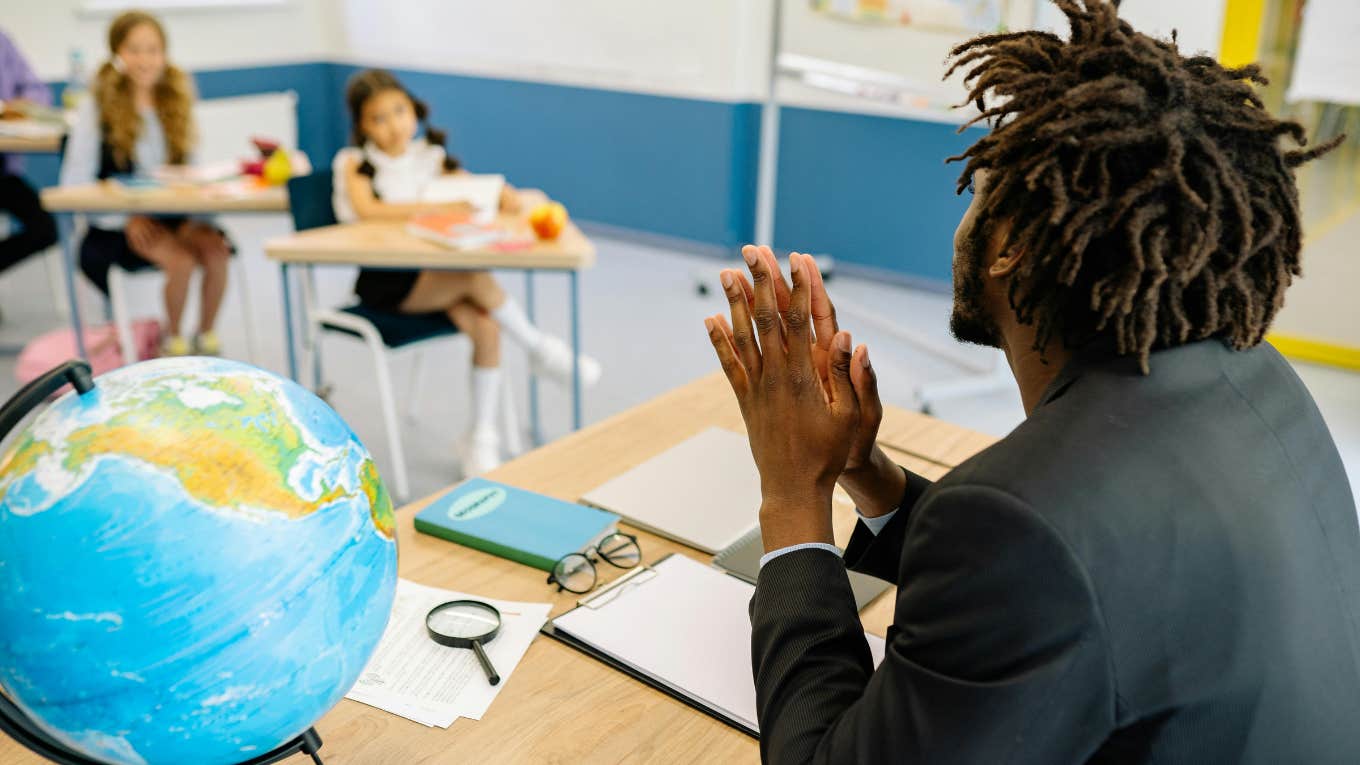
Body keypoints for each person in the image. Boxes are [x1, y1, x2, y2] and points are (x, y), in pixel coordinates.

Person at [702, 1, 1360, 761]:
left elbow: (1033, 552)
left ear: (1009, 243)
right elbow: (1067, 580)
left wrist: (791, 493)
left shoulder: (1018, 523)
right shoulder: (1257, 378)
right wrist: (864, 471)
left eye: (984, 182)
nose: (967, 201)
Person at [334, 68, 601, 476]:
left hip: (437, 275)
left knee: (487, 328)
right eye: (378, 118)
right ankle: (539, 350)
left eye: (399, 111)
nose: (392, 126)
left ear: (414, 110)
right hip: (387, 283)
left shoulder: (429, 157)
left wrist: (501, 196)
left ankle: (480, 439)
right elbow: (368, 210)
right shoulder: (354, 163)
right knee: (474, 277)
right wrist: (435, 207)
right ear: (361, 125)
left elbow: (475, 188)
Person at [60, 10, 231, 356]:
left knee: (216, 250)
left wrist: (201, 210)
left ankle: (206, 338)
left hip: (175, 213)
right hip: (122, 224)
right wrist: (125, 218)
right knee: (180, 261)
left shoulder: (177, 98)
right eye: (134, 50)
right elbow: (74, 186)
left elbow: (192, 169)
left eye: (153, 50)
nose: (145, 60)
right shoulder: (97, 107)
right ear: (117, 54)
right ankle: (174, 343)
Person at [0, 29, 58, 285]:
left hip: (3, 172)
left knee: (45, 228)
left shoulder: (3, 43)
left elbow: (39, 93)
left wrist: (18, 105)